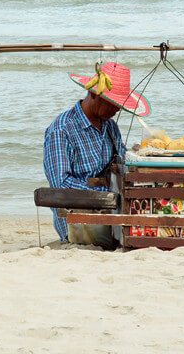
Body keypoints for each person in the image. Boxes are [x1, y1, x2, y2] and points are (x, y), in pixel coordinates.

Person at [43, 62, 150, 247]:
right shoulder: (61, 130)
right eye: (113, 104)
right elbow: (60, 185)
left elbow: (121, 161)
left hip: (110, 214)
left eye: (119, 105)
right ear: (94, 93)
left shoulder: (110, 126)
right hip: (77, 222)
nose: (117, 110)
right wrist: (110, 194)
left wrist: (140, 159)